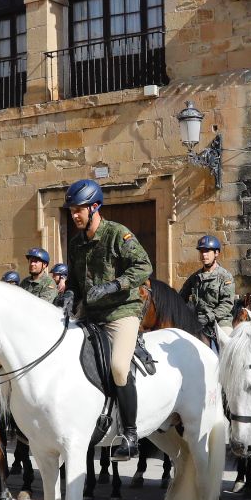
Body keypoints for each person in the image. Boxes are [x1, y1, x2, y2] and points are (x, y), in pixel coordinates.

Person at [65, 179, 152, 458]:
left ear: (94, 207)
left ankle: (130, 434)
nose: (74, 215)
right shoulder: (76, 243)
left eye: (79, 209)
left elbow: (144, 266)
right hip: (90, 315)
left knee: (118, 367)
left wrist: (116, 285)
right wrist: (68, 296)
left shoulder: (118, 234)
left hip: (121, 313)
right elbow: (75, 283)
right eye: (71, 211)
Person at [181, 234, 236, 346]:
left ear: (216, 253)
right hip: (197, 321)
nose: (203, 255)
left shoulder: (225, 277)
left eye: (207, 251)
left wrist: (208, 318)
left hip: (220, 321)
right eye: (201, 251)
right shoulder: (195, 277)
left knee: (228, 346)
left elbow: (227, 304)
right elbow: (181, 297)